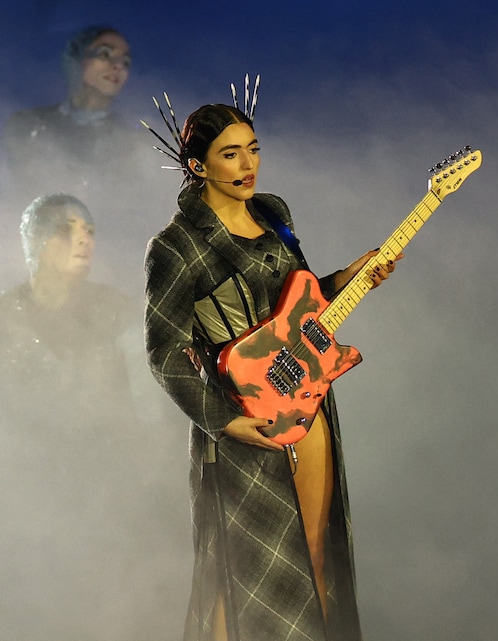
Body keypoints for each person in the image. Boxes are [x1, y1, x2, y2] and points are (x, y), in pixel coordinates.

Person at [143, 101, 401, 641]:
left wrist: (349, 278)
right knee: (233, 575)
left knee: (314, 553)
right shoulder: (176, 246)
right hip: (240, 424)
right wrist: (222, 420)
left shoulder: (274, 213)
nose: (247, 165)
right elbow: (164, 352)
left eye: (253, 149)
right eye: (230, 154)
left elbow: (298, 309)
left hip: (305, 404)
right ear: (199, 166)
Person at [0, 192, 171, 640]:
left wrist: (150, 490)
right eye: (67, 230)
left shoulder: (116, 311)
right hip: (23, 504)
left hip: (108, 500)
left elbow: (149, 409)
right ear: (35, 240)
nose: (83, 240)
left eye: (89, 231)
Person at [4, 25, 136, 196]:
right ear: (76, 59)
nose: (118, 66)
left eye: (126, 62)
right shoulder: (28, 124)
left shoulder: (134, 144)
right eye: (105, 54)